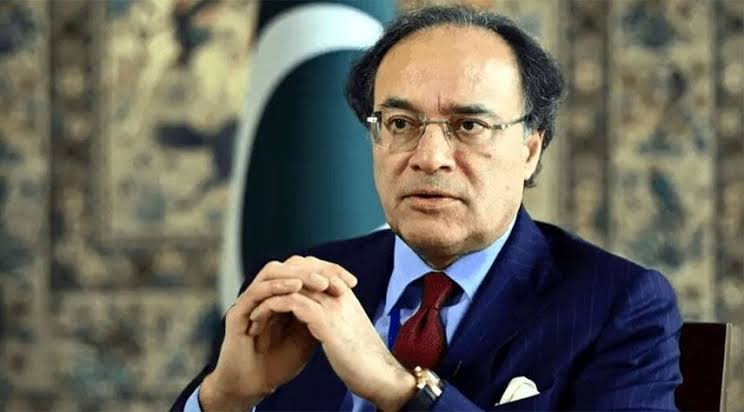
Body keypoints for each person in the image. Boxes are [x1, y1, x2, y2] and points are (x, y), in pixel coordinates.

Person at [172, 5, 682, 412]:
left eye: (468, 126)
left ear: (530, 149)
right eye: (400, 124)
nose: (429, 157)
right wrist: (224, 398)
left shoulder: (616, 305)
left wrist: (401, 390)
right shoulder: (303, 285)